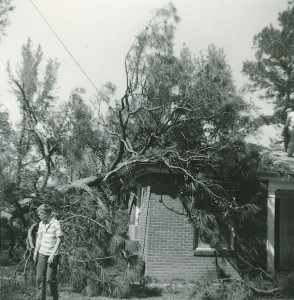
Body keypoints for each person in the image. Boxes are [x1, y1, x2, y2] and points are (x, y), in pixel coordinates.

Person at [33, 204, 63, 300]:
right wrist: (35, 252)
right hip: (42, 254)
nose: (39, 216)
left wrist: (52, 255)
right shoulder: (41, 224)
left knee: (50, 279)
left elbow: (59, 240)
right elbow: (39, 239)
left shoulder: (56, 223)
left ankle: (55, 298)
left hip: (52, 255)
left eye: (39, 214)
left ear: (44, 214)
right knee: (39, 279)